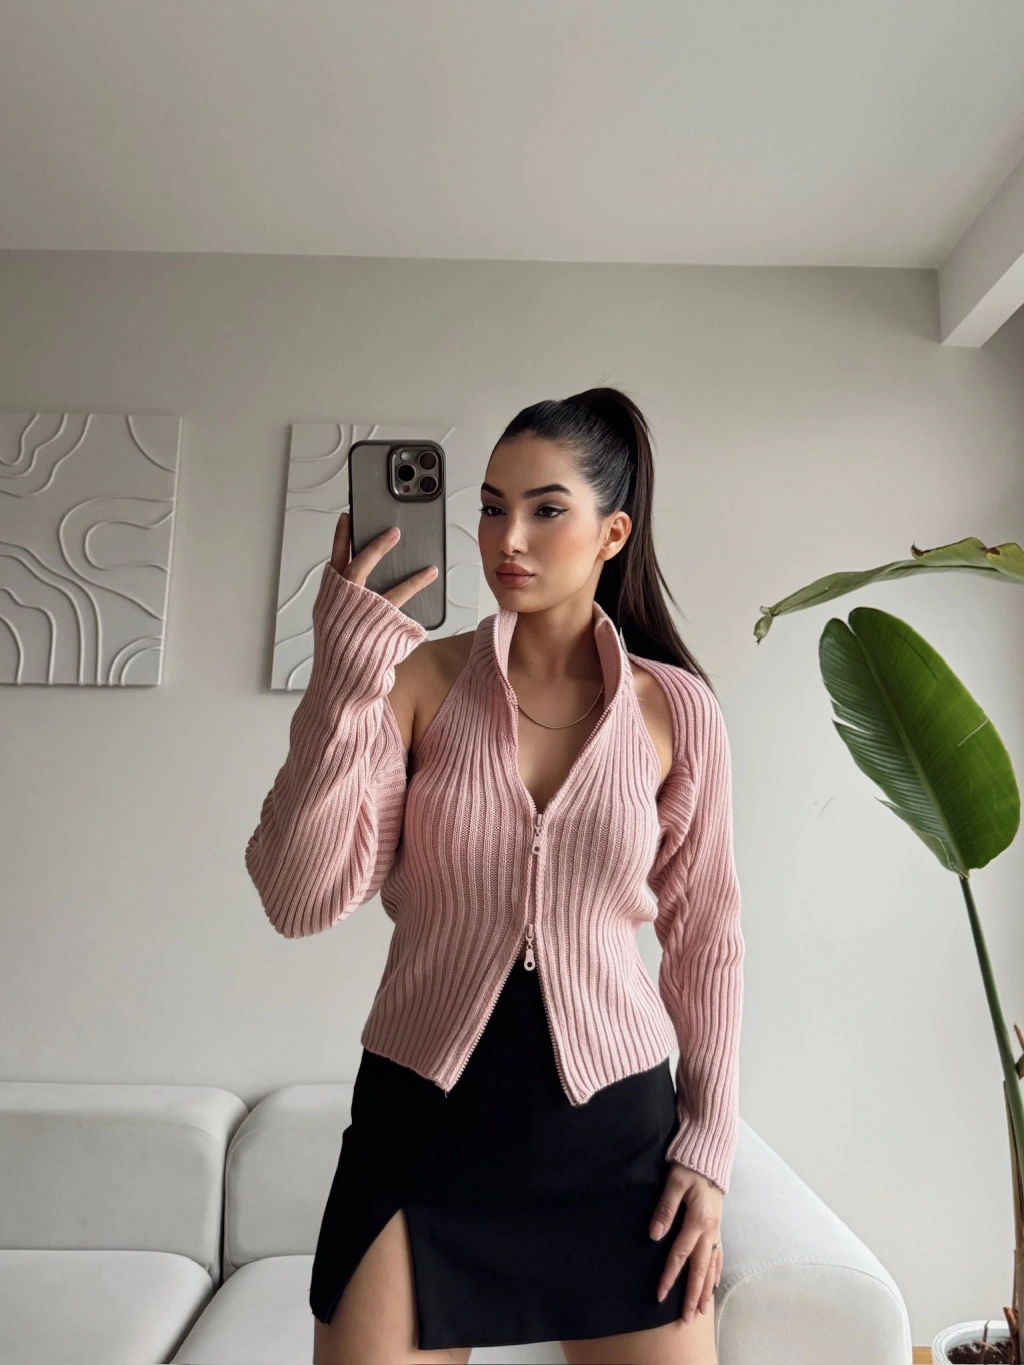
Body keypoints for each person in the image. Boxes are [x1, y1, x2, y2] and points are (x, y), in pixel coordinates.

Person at [244, 386, 744, 1365]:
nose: (506, 538)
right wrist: (342, 678)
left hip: (617, 1141)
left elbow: (707, 942)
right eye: (489, 506)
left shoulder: (676, 711)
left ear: (612, 534)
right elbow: (298, 899)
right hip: (419, 1132)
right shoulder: (416, 682)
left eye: (546, 509)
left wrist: (708, 1147)